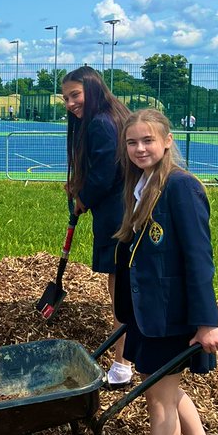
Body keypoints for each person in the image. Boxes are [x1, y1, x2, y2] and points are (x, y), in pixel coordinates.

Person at [112, 109, 218, 435]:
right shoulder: (139, 185)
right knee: (168, 389)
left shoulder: (180, 188)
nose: (140, 149)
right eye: (132, 143)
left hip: (174, 316)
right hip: (149, 313)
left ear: (166, 141)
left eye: (147, 141)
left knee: (159, 400)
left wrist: (206, 321)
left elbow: (199, 259)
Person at [61, 65, 133, 386]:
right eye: (65, 98)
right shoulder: (109, 117)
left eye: (75, 95)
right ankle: (126, 351)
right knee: (121, 282)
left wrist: (83, 198)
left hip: (118, 214)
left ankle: (122, 365)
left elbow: (105, 173)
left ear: (92, 89)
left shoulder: (101, 123)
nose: (70, 103)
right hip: (121, 210)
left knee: (121, 287)